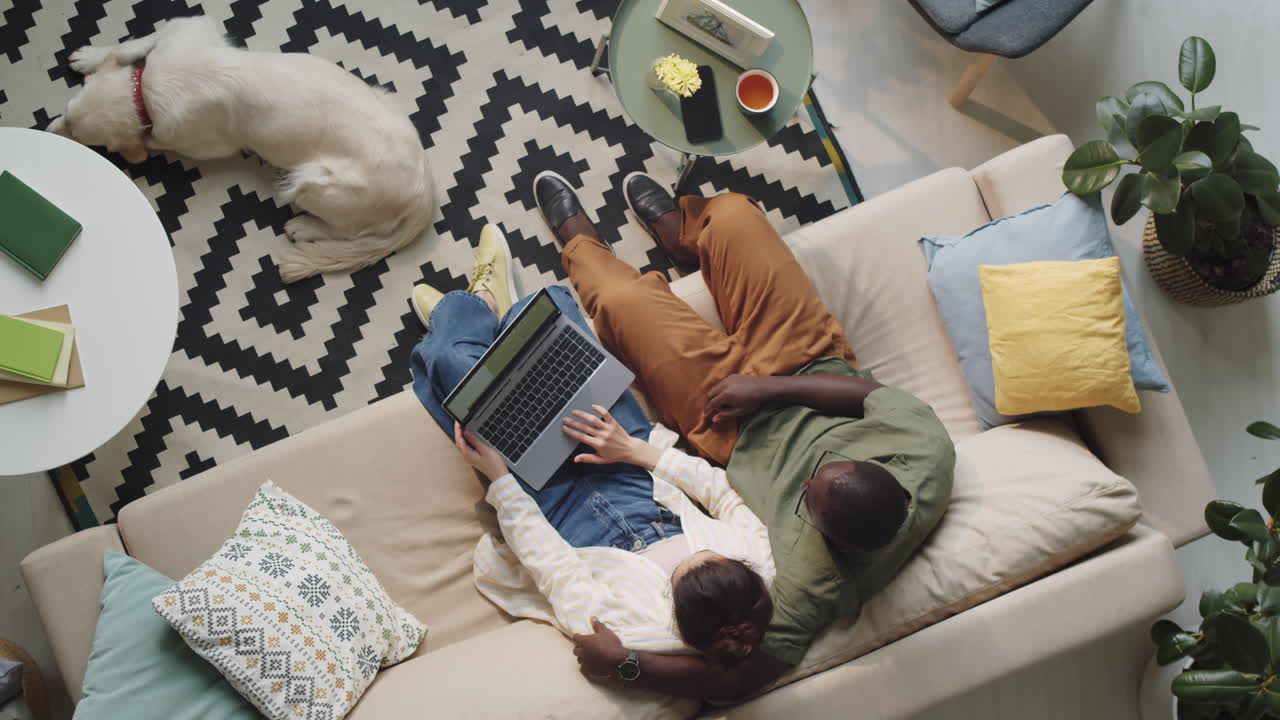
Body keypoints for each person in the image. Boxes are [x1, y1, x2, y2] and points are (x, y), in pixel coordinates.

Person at [531, 170, 957, 700]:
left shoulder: (814, 583)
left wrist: (626, 664)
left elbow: (737, 682)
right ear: (891, 478)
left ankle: (579, 244)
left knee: (623, 303)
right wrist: (771, 387)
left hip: (728, 424)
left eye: (809, 501)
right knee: (733, 213)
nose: (804, 485)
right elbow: (861, 396)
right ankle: (684, 237)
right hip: (806, 364)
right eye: (821, 474)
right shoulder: (928, 452)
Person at [408, 224, 776, 668]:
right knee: (549, 312)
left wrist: (502, 482)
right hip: (629, 462)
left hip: (555, 504)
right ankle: (478, 317)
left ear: (674, 611)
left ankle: (473, 310)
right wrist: (634, 451)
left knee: (454, 369)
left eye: (682, 567)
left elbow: (553, 569)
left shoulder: (635, 629)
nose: (691, 552)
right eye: (706, 553)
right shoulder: (759, 572)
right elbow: (721, 491)